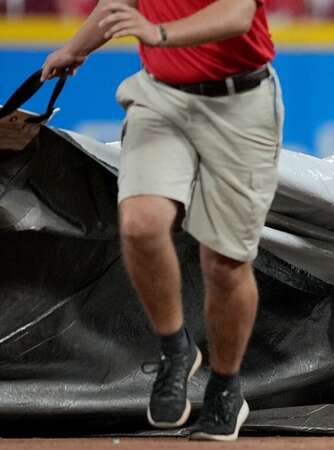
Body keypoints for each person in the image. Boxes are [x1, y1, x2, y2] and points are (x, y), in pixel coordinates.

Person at [41, 0, 283, 441]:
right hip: (161, 97)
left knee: (224, 263)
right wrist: (76, 48)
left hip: (240, 103)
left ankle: (227, 387)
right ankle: (175, 349)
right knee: (140, 224)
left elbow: (237, 15)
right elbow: (121, 3)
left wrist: (159, 33)